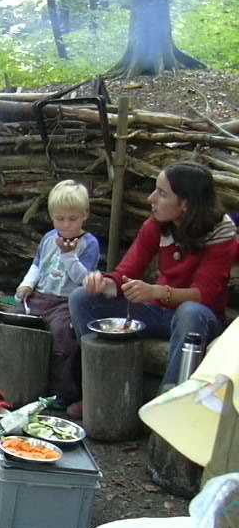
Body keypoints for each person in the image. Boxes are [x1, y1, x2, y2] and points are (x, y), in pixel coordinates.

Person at [68, 161, 237, 418]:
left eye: (162, 193)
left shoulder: (221, 232)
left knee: (190, 311)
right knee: (82, 298)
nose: (151, 199)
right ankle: (97, 391)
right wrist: (104, 283)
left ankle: (165, 410)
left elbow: (205, 294)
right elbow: (127, 271)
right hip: (158, 314)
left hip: (201, 320)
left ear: (186, 204)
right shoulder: (156, 225)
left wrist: (158, 292)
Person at [15, 180, 100, 407]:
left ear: (85, 215)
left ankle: (63, 391)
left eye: (73, 219)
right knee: (17, 325)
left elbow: (82, 279)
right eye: (60, 219)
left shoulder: (88, 244)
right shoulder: (49, 238)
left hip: (65, 302)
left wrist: (69, 255)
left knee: (63, 338)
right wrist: (27, 285)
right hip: (40, 296)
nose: (66, 225)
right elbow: (37, 265)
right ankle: (22, 381)